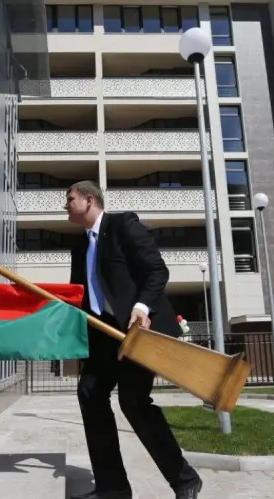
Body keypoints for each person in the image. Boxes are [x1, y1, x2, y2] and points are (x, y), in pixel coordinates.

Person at [64, 180, 203, 499]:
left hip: (137, 331)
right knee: (90, 393)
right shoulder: (79, 246)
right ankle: (112, 487)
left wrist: (142, 307)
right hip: (102, 335)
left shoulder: (123, 225)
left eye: (69, 199)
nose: (65, 205)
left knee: (134, 401)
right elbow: (79, 294)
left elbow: (157, 271)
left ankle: (185, 480)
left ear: (89, 200)